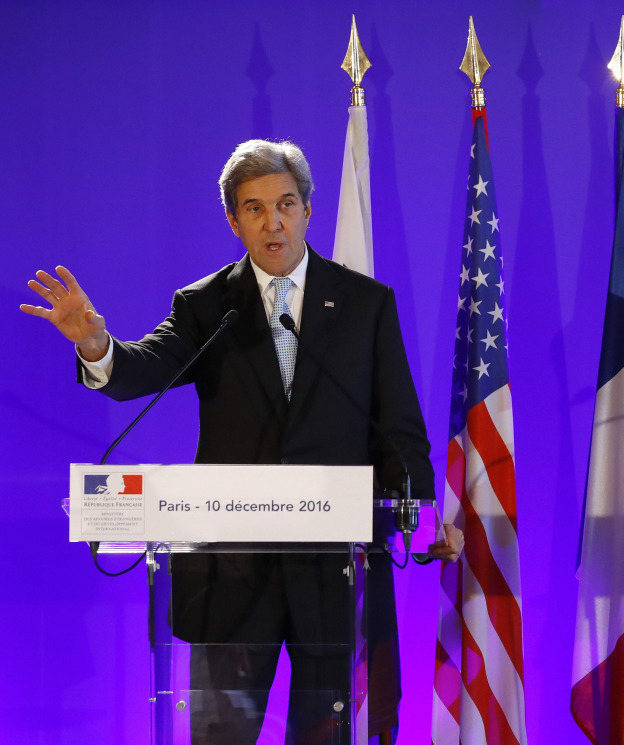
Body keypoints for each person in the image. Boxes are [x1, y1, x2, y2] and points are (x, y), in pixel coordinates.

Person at [21, 139, 463, 745]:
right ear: (234, 221)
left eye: (285, 204)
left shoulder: (365, 304)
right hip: (232, 576)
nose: (272, 221)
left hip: (335, 574)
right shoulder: (207, 306)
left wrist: (425, 510)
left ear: (308, 209)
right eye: (254, 209)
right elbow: (145, 368)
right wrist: (97, 346)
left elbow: (398, 426)